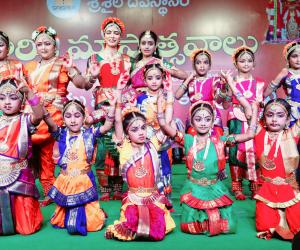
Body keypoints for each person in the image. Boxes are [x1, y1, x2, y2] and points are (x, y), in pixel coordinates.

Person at [157, 70, 257, 236]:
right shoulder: (188, 140)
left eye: (207, 119)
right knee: (190, 224)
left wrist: (252, 109)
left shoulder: (221, 140)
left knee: (227, 224)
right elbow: (166, 128)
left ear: (213, 121)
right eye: (198, 119)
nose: (203, 123)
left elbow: (250, 135)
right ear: (192, 121)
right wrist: (162, 108)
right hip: (194, 187)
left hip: (215, 187)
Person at [23, 26, 88, 206]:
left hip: (55, 115)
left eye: (47, 44)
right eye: (39, 44)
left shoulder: (63, 63)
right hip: (33, 113)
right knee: (27, 153)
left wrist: (78, 72)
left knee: (49, 154)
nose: (43, 48)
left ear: (55, 46)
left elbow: (82, 84)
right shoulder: (29, 67)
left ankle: (52, 191)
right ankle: (26, 188)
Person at [105, 78, 175, 241]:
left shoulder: (153, 144)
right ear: (127, 133)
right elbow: (117, 121)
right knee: (131, 225)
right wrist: (119, 92)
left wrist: (169, 94)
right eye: (135, 130)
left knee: (160, 226)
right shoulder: (124, 146)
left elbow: (167, 123)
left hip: (152, 197)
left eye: (143, 128)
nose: (141, 132)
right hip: (133, 198)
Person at [44, 97, 116, 235]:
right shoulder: (61, 134)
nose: (73, 120)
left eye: (77, 116)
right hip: (66, 180)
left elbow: (107, 126)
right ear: (63, 119)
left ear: (83, 118)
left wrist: (112, 107)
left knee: (93, 223)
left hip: (85, 180)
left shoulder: (90, 134)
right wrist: (41, 106)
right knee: (60, 220)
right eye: (68, 116)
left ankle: (94, 212)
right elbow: (50, 122)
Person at [85, 17, 131, 201]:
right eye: (109, 32)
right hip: (102, 105)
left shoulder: (128, 59)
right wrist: (91, 77)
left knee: (120, 144)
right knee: (103, 145)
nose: (112, 36)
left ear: (121, 36)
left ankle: (118, 186)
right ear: (103, 34)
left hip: (122, 104)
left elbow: (134, 83)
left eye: (116, 33)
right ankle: (104, 187)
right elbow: (87, 85)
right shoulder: (94, 58)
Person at [0, 78, 43, 235]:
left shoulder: (25, 120)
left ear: (22, 100)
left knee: (27, 228)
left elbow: (39, 114)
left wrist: (29, 92)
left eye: (13, 98)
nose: (7, 102)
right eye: (2, 98)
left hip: (20, 176)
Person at [253, 98, 300, 240]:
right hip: (267, 190)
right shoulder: (259, 134)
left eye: (280, 115)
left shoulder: (292, 135)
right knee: (264, 225)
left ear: (287, 120)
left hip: (289, 189)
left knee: (297, 224)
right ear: (264, 117)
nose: (274, 119)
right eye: (270, 115)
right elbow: (250, 113)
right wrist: (255, 107)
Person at [225, 46, 265, 200]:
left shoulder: (259, 83)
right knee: (235, 151)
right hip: (236, 118)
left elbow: (260, 102)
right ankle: (237, 185)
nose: (246, 63)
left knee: (255, 151)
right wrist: (225, 91)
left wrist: (253, 110)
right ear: (236, 63)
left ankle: (255, 185)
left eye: (249, 61)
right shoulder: (231, 81)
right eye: (242, 61)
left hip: (254, 119)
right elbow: (227, 102)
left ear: (254, 64)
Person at [136, 63, 175, 200]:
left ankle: (165, 198)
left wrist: (163, 134)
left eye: (158, 78)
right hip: (145, 138)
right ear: (144, 80)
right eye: (150, 78)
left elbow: (168, 119)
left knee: (164, 166)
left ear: (163, 79)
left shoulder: (166, 96)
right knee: (147, 166)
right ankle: (147, 196)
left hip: (163, 136)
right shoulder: (139, 98)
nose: (154, 81)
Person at [175, 48, 225, 136]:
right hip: (194, 116)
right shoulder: (190, 81)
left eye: (205, 62)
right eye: (198, 63)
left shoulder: (215, 80)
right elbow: (177, 96)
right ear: (194, 66)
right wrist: (188, 79)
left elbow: (221, 101)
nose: (202, 66)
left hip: (212, 116)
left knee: (217, 140)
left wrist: (225, 84)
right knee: (193, 141)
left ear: (209, 66)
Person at [264, 39, 300, 126]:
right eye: (294, 56)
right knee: (291, 138)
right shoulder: (286, 73)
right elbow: (266, 93)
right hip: (292, 111)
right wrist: (280, 75)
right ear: (288, 58)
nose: (298, 59)